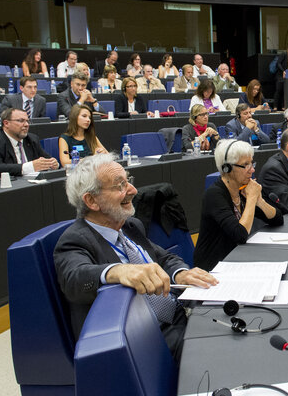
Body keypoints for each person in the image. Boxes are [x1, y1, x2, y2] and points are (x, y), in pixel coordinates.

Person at [53, 153, 217, 358]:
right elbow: (75, 279)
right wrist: (117, 271)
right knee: (220, 348)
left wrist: (180, 274)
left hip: (178, 315)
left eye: (128, 181)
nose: (133, 190)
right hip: (147, 340)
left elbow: (163, 258)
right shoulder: (75, 240)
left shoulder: (130, 225)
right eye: (119, 185)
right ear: (92, 200)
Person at [194, 140, 283, 271]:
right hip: (213, 267)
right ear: (227, 168)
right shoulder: (214, 195)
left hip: (236, 258)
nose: (252, 169)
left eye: (252, 163)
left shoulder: (242, 190)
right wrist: (252, 198)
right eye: (246, 165)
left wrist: (260, 201)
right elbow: (240, 235)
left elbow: (277, 219)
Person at [0, 107, 58, 177]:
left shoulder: (32, 139)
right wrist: (29, 167)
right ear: (6, 123)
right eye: (21, 121)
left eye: (27, 121)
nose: (26, 125)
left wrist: (52, 163)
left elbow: (46, 158)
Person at [273, 42, 288, 110]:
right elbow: (278, 63)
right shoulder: (284, 54)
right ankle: (275, 106)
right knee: (279, 90)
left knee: (285, 91)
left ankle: (283, 106)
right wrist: (283, 71)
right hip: (281, 75)